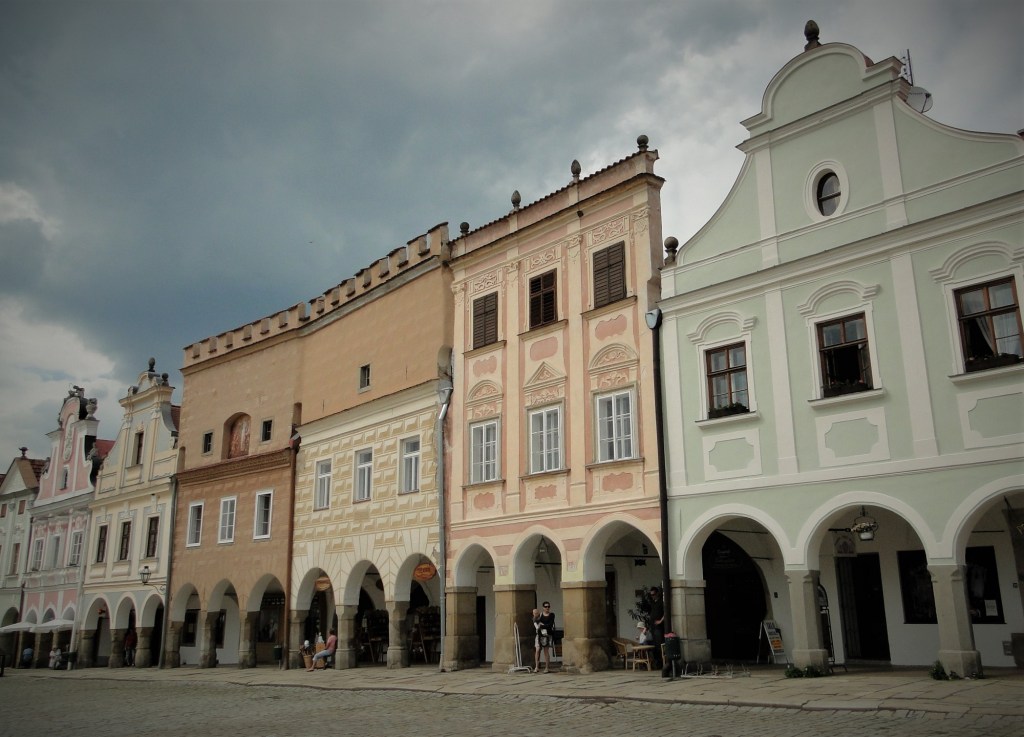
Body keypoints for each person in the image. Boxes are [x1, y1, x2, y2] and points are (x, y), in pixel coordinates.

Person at [533, 601, 555, 673]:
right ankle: (536, 667)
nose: (547, 608)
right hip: (539, 634)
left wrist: (541, 626)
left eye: (548, 606)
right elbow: (535, 620)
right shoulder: (540, 615)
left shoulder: (551, 615)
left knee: (546, 651)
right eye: (546, 606)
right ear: (543, 607)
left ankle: (547, 667)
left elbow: (550, 625)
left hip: (547, 634)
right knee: (537, 650)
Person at [648, 586, 665, 670]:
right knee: (654, 644)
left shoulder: (661, 602)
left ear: (657, 593)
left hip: (659, 627)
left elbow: (666, 612)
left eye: (654, 594)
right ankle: (657, 663)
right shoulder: (653, 602)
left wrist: (661, 621)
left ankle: (662, 663)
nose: (652, 596)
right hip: (653, 626)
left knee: (659, 645)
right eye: (651, 595)